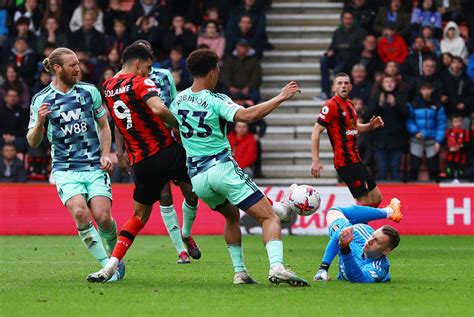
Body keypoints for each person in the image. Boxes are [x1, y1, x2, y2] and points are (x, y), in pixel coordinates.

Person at [169, 48, 308, 286]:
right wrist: (281, 97)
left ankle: (240, 272)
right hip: (222, 169)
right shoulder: (217, 100)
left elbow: (175, 132)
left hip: (198, 178)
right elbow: (247, 116)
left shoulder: (178, 100)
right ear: (212, 72)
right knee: (270, 217)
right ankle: (277, 267)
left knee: (232, 215)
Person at [87, 44, 200, 283]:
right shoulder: (142, 82)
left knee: (138, 216)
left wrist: (122, 151)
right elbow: (158, 108)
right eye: (148, 67)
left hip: (141, 163)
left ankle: (111, 265)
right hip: (167, 152)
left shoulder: (107, 87)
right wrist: (179, 126)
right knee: (210, 182)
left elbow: (119, 123)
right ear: (138, 63)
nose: (149, 72)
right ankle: (268, 211)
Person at [26, 47, 123, 281]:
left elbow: (104, 125)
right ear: (57, 68)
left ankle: (115, 257)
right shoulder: (41, 99)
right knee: (80, 212)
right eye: (72, 65)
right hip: (65, 170)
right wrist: (40, 122)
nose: (78, 68)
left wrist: (105, 154)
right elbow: (32, 141)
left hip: (93, 166)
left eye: (78, 63)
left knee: (103, 218)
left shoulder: (89, 92)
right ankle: (107, 268)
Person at [120, 39, 201, 263]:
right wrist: (121, 151)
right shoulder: (123, 82)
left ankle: (186, 233)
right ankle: (180, 250)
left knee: (191, 193)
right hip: (146, 146)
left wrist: (182, 132)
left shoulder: (163, 75)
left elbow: (174, 104)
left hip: (171, 140)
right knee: (164, 195)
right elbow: (121, 119)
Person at [311, 73, 384, 206]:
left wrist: (370, 126)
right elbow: (316, 131)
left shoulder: (350, 104)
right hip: (345, 162)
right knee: (364, 202)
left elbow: (354, 127)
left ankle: (358, 223)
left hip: (356, 159)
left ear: (350, 87)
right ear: (333, 87)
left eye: (345, 83)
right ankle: (356, 226)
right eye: (339, 83)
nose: (343, 86)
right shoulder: (330, 106)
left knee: (377, 198)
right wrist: (316, 160)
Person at [313, 198, 402, 283]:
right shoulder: (360, 233)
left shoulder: (378, 269)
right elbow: (338, 235)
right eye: (373, 236)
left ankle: (389, 211)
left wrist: (345, 249)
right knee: (334, 211)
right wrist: (323, 269)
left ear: (386, 251)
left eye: (376, 241)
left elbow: (358, 278)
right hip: (356, 229)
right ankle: (389, 211)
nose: (370, 240)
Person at [367, 76, 408, 181]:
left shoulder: (400, 96)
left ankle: (399, 196)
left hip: (397, 140)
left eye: (391, 81)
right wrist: (379, 105)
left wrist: (395, 104)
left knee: (395, 170)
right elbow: (369, 116)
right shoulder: (376, 96)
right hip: (380, 140)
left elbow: (406, 114)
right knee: (382, 169)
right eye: (386, 82)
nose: (389, 84)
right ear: (382, 84)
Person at [319, 11, 366, 100]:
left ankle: (335, 93)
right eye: (346, 19)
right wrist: (330, 52)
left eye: (350, 19)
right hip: (338, 58)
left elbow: (359, 48)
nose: (348, 21)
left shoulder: (359, 32)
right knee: (323, 60)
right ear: (342, 20)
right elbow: (333, 46)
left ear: (353, 20)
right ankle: (325, 92)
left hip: (351, 59)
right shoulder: (337, 32)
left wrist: (344, 47)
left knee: (338, 70)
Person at [407, 82, 446, 181]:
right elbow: (409, 120)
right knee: (414, 167)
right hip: (417, 139)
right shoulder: (413, 104)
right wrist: (415, 132)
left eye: (428, 89)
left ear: (432, 90)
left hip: (432, 139)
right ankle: (412, 190)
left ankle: (436, 191)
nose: (426, 91)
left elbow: (441, 124)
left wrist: (438, 141)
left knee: (434, 168)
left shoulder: (437, 105)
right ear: (420, 91)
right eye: (424, 89)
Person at [221, 38, 262, 104]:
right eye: (241, 46)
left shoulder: (254, 60)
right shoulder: (229, 60)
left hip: (248, 90)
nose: (242, 48)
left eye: (245, 46)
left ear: (248, 48)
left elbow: (257, 77)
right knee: (222, 93)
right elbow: (225, 75)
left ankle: (244, 103)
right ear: (237, 47)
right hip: (231, 89)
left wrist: (248, 88)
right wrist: (230, 87)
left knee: (255, 95)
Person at [445, 113, 470, 181]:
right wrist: (450, 149)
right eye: (455, 121)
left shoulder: (466, 133)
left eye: (459, 121)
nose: (458, 123)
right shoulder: (448, 132)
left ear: (462, 122)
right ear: (452, 122)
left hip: (461, 160)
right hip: (450, 159)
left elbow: (467, 145)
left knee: (461, 177)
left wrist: (460, 146)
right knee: (449, 176)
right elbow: (445, 144)